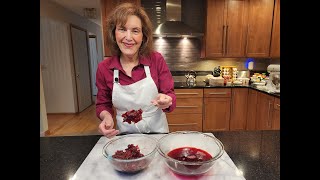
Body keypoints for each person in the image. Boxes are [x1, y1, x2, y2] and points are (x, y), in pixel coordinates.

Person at [96, 3, 176, 138]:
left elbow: (169, 94)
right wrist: (106, 117)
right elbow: (103, 104)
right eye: (122, 29)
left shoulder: (156, 59)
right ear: (113, 33)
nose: (128, 37)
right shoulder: (104, 68)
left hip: (157, 134)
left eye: (135, 30)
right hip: (125, 135)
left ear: (143, 36)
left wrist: (166, 100)